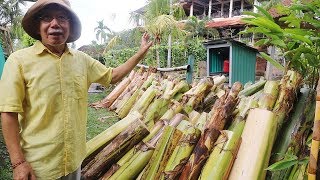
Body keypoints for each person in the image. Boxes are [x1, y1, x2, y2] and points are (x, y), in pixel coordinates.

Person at [0, 0, 153, 179]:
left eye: (62, 17)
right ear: (37, 25)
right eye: (47, 17)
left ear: (69, 26)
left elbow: (113, 76)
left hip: (74, 160)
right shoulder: (18, 61)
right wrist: (18, 163)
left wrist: (140, 53)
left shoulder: (82, 60)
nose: (55, 23)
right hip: (39, 166)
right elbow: (8, 113)